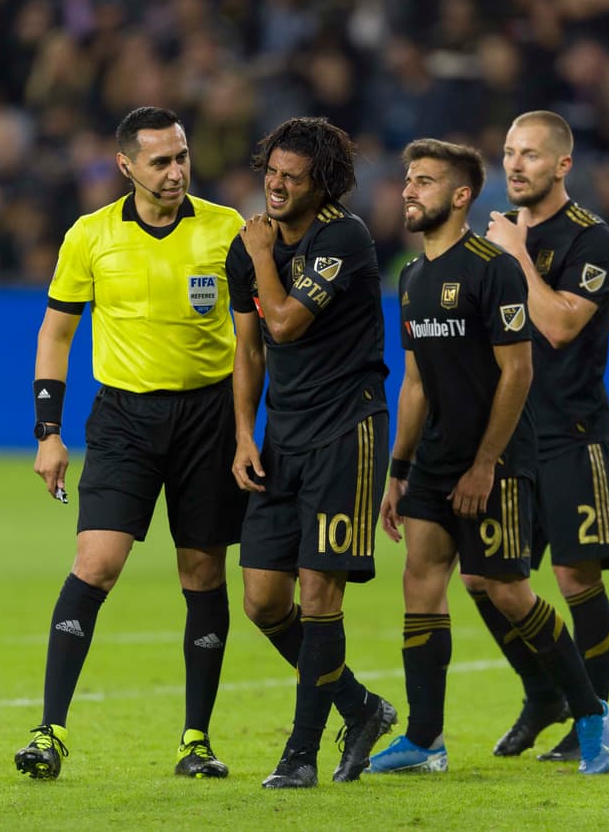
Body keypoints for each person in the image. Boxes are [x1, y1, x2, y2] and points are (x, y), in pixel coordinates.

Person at [367, 137, 609, 777]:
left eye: (424, 181)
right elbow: (416, 382)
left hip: (498, 463)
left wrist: (484, 465)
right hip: (434, 463)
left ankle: (590, 713)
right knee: (420, 584)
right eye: (408, 180)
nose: (408, 190)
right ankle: (426, 740)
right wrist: (397, 470)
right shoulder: (413, 277)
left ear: (459, 196)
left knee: (508, 590)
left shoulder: (493, 268)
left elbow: (518, 372)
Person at [14, 106, 247, 781]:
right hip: (123, 418)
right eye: (160, 162)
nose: (176, 172)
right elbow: (55, 333)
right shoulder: (89, 237)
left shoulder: (227, 230)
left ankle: (196, 739)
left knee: (202, 573)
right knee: (97, 562)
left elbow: (255, 337)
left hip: (208, 417)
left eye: (181, 158)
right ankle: (49, 731)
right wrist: (48, 433)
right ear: (126, 167)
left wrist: (245, 430)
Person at [226, 117, 397, 789]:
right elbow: (250, 347)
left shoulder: (342, 238)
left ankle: (300, 755)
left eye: (291, 177)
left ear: (320, 183)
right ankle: (360, 709)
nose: (275, 184)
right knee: (265, 602)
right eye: (270, 171)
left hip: (346, 433)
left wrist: (264, 255)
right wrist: (244, 431)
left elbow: (288, 323)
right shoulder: (248, 248)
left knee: (321, 589)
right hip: (282, 437)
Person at [478, 110, 609, 761]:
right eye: (509, 151)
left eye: (531, 154)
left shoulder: (592, 240)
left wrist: (516, 257)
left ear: (562, 165)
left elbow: (561, 326)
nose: (515, 164)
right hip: (509, 438)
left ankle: (591, 719)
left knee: (573, 577)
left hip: (572, 433)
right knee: (485, 576)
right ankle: (543, 692)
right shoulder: (490, 241)